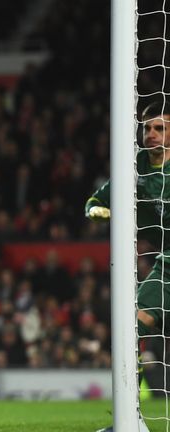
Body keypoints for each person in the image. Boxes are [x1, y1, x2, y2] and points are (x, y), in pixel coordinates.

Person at [86, 102, 164, 432]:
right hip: (168, 267)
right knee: (131, 329)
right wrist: (99, 212)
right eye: (147, 128)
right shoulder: (135, 166)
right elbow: (95, 202)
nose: (151, 134)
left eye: (159, 128)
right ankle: (132, 421)